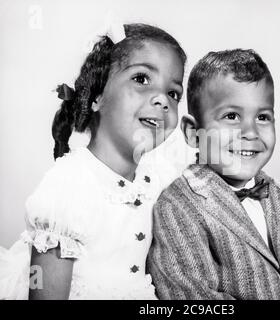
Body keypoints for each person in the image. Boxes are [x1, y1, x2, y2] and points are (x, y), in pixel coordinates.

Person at [0, 22, 186, 299]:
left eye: (173, 93)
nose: (162, 99)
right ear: (97, 95)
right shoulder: (68, 186)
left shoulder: (157, 179)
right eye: (142, 79)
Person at [147, 49, 280, 300]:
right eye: (232, 116)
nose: (250, 132)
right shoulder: (177, 206)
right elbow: (192, 296)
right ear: (193, 133)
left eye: (262, 117)